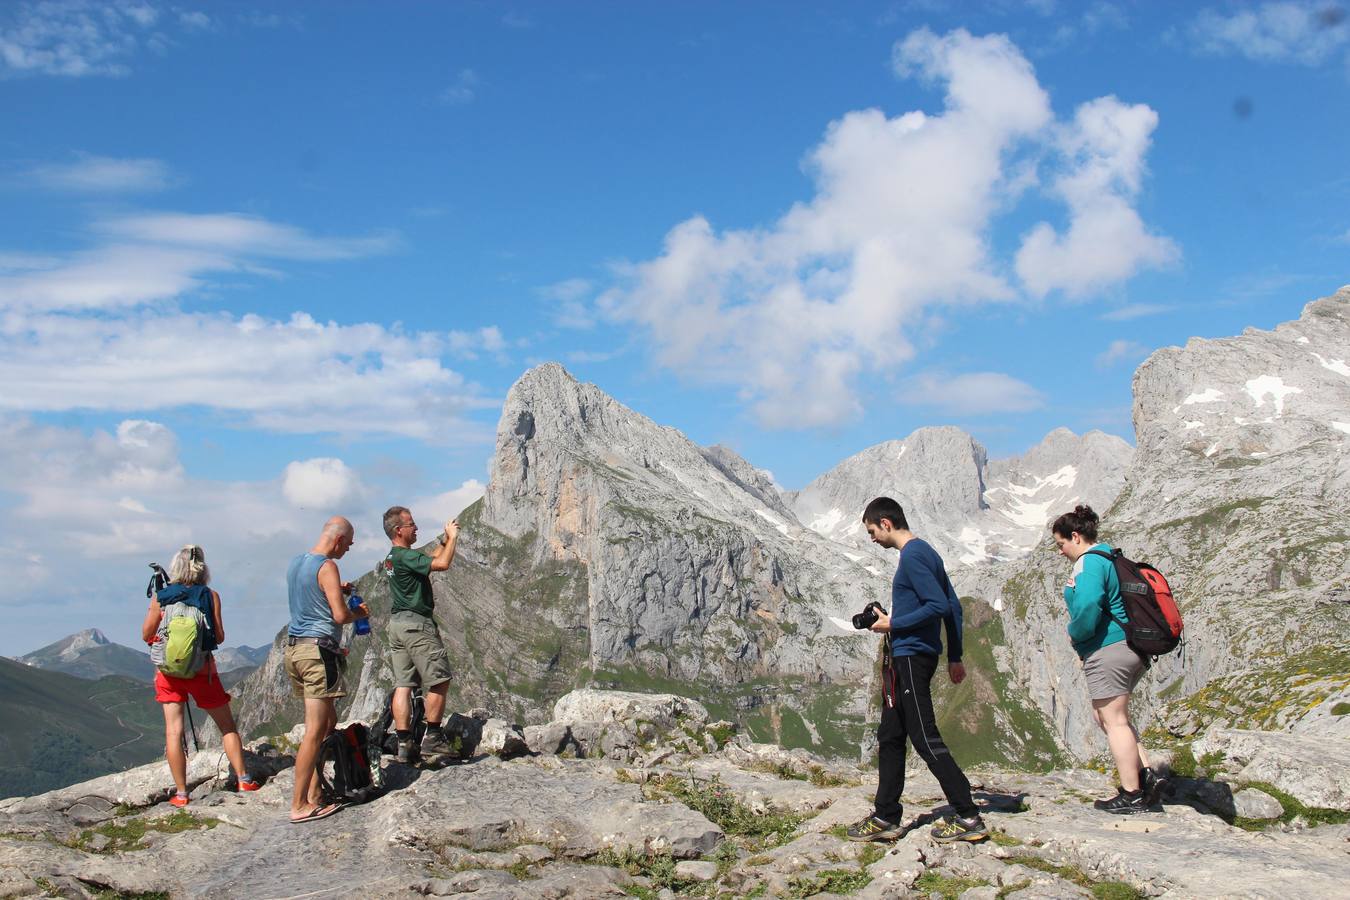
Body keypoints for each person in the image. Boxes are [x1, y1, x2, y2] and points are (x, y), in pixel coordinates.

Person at [847, 497, 989, 844]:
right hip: (909, 657)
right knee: (891, 736)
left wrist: (893, 623)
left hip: (910, 657)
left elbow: (938, 605)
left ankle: (968, 815)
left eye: (871, 531)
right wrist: (954, 655)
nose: (872, 539)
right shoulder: (927, 553)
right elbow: (953, 606)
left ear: (885, 523)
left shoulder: (911, 556)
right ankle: (886, 815)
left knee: (924, 736)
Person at [1052, 505, 1163, 814]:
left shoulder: (1088, 563)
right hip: (1130, 647)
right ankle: (1146, 776)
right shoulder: (1110, 557)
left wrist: (1075, 634)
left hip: (1108, 649)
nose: (1060, 552)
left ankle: (1132, 794)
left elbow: (1087, 606)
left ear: (1075, 536)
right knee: (1110, 717)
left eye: (1061, 544)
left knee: (1112, 720)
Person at [141, 544, 259, 807]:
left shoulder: (161, 595)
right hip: (202, 671)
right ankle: (244, 779)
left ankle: (182, 794)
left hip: (169, 672)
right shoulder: (210, 595)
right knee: (227, 726)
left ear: (175, 568)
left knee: (173, 732)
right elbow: (218, 636)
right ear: (203, 569)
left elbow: (147, 634)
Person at [285, 515, 368, 823]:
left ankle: (316, 793)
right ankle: (299, 804)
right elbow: (338, 615)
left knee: (327, 721)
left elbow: (310, 594)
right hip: (319, 652)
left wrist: (336, 588)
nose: (348, 549)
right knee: (316, 730)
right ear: (337, 541)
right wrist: (357, 611)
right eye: (347, 544)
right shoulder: (328, 567)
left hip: (295, 650)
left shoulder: (297, 563)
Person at [381, 506, 459, 765]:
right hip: (417, 625)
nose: (416, 528)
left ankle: (404, 744)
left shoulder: (394, 558)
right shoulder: (404, 556)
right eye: (411, 524)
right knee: (439, 680)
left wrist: (443, 541)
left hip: (397, 625)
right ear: (398, 530)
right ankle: (433, 737)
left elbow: (429, 563)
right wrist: (454, 539)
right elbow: (442, 563)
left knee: (404, 684)